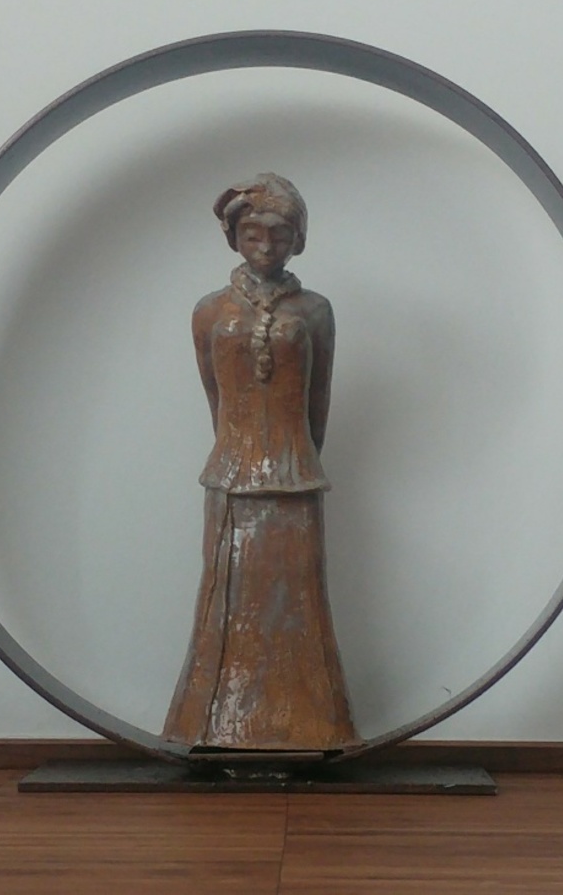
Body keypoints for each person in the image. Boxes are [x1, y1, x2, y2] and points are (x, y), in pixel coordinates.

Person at [163, 173, 358, 751]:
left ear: (298, 239)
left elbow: (318, 399)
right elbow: (215, 397)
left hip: (295, 475)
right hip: (232, 474)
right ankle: (209, 726)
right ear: (235, 238)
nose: (266, 246)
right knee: (225, 603)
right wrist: (238, 453)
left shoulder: (315, 311)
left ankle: (313, 724)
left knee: (299, 603)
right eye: (252, 234)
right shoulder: (209, 311)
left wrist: (295, 458)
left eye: (279, 235)